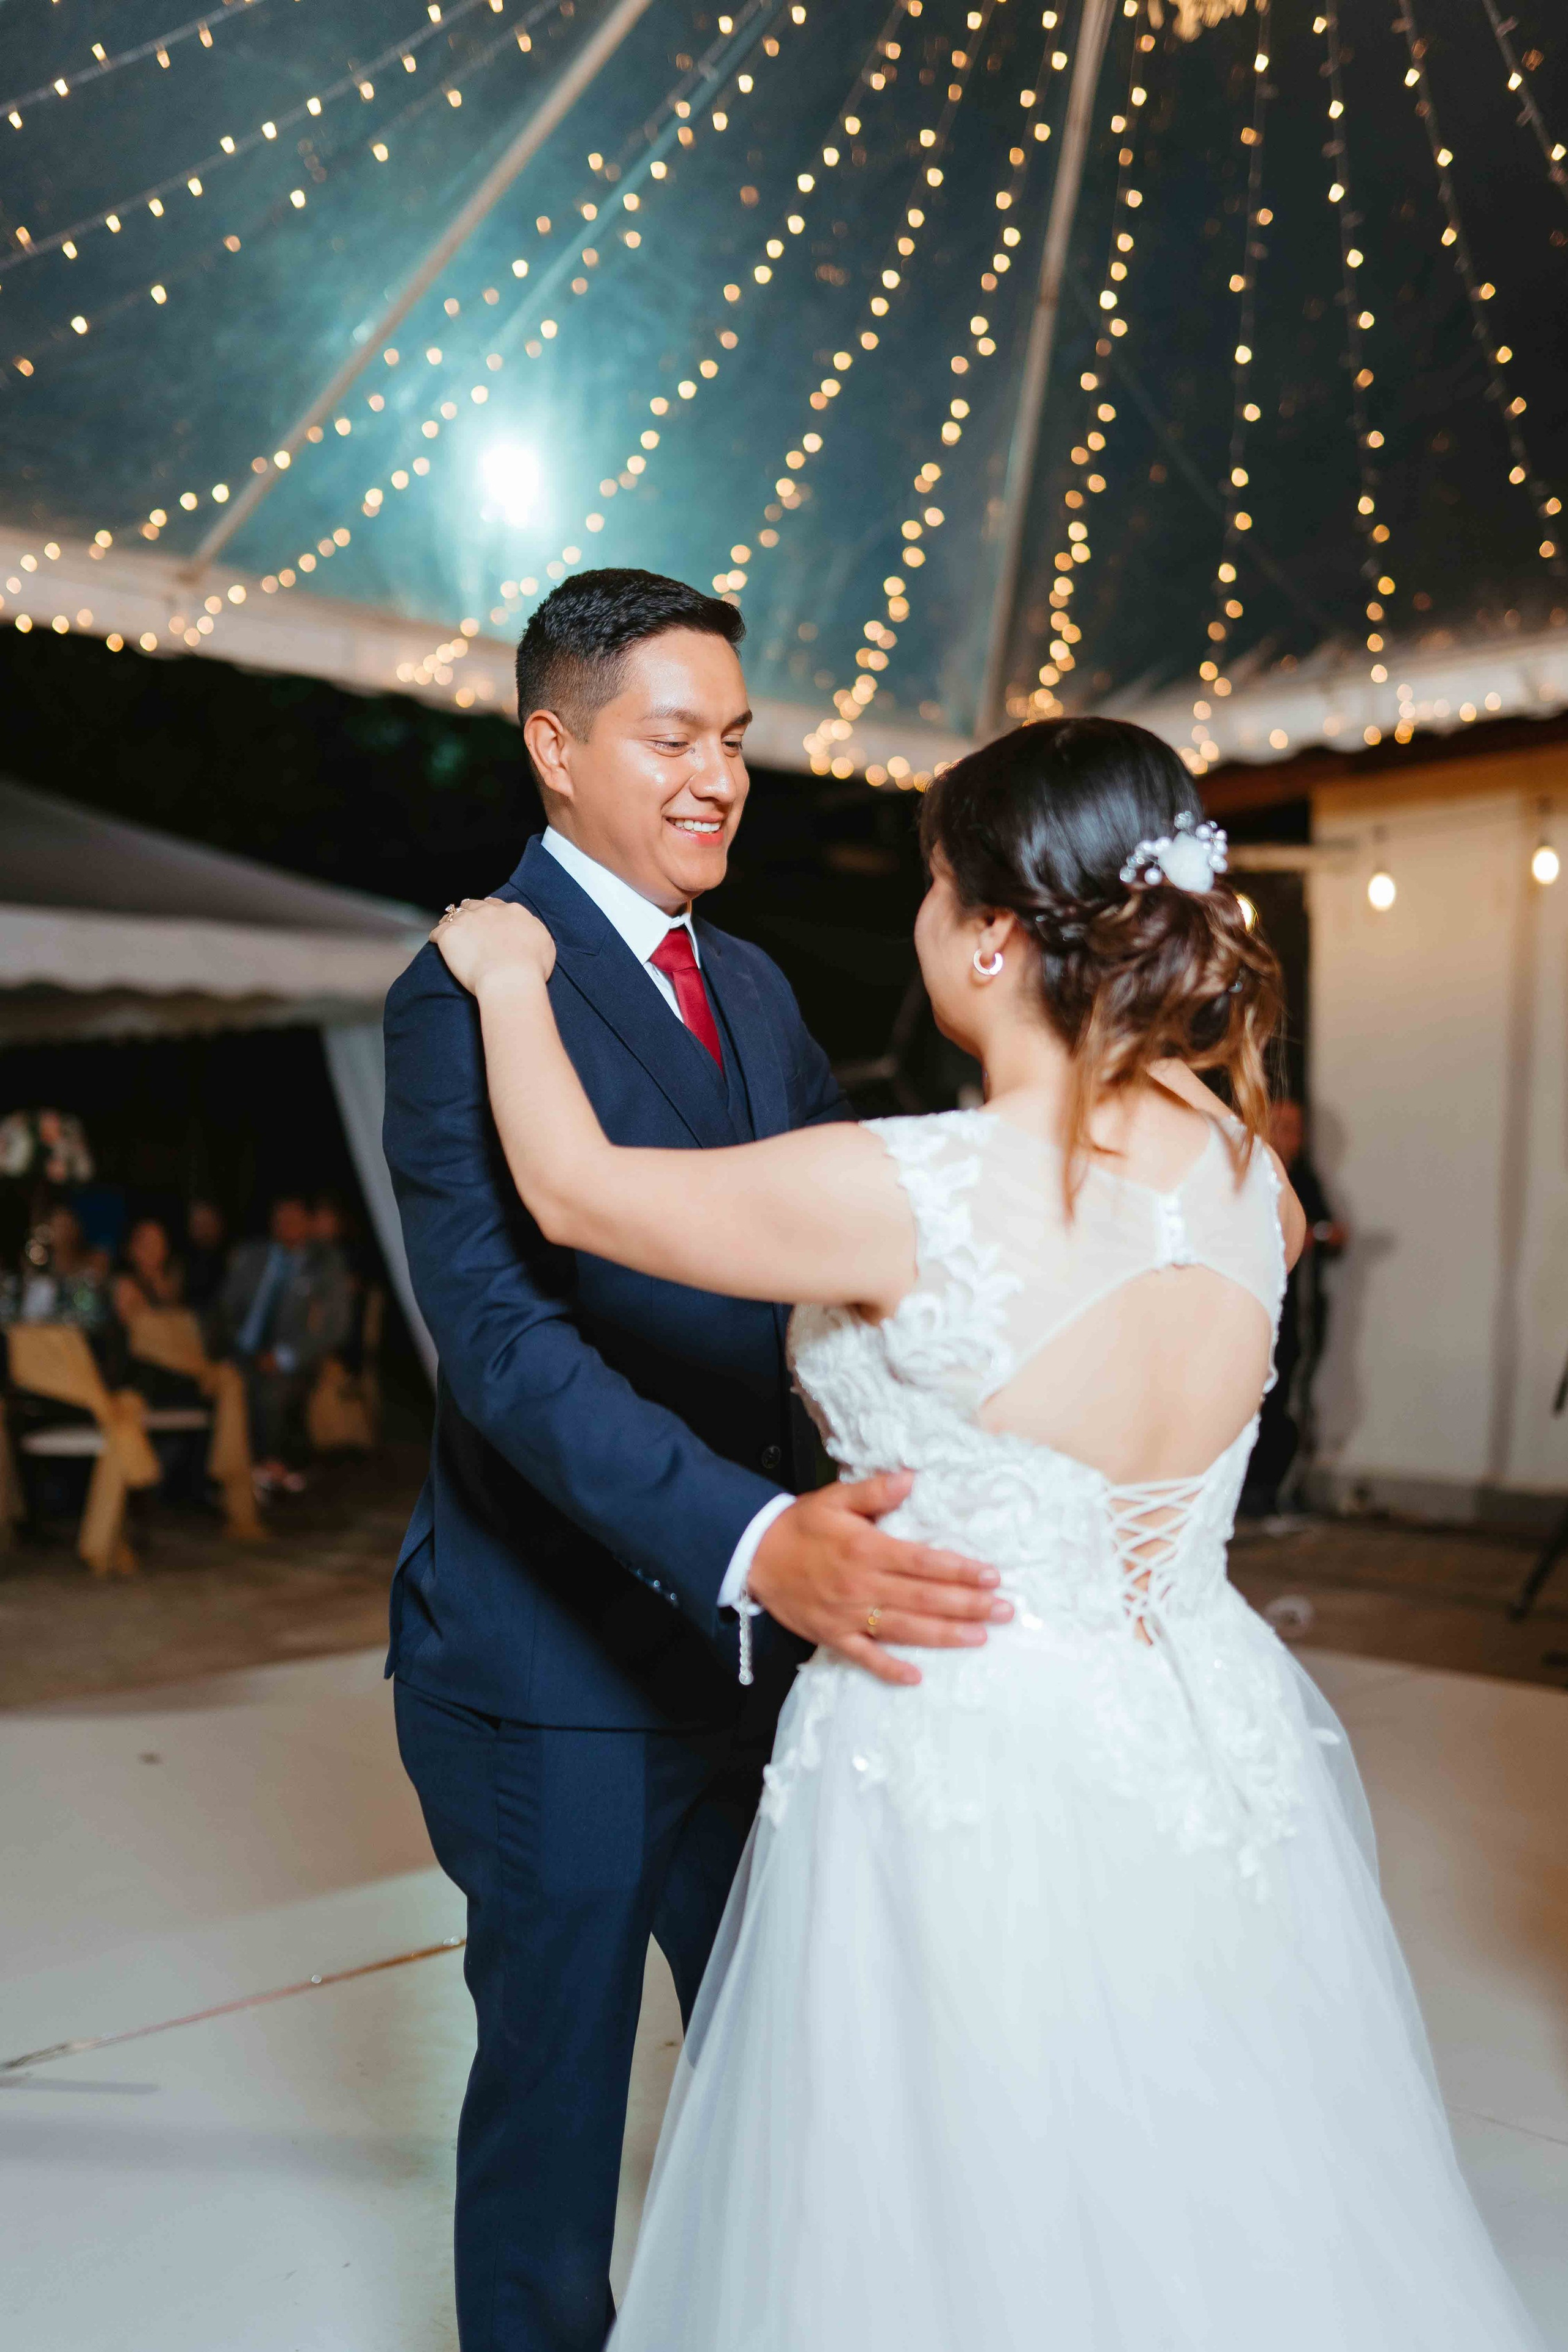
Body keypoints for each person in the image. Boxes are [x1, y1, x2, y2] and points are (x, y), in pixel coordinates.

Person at [431, 715, 1542, 2352]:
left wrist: (510, 976)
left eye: (939, 884)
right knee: (1190, 2145)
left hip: (957, 1742)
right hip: (1200, 1727)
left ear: (1002, 935)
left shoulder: (907, 1185)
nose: (920, 921)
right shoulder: (1253, 1176)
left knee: (953, 2182)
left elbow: (582, 1193)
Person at [382, 568, 997, 2352]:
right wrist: (752, 1540)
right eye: (672, 735)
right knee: (558, 2131)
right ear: (555, 748)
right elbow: (502, 1348)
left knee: (794, 2084)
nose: (718, 773)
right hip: (551, 1665)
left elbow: (829, 1277)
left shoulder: (752, 981)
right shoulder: (464, 985)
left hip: (761, 1672)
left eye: (735, 736)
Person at [1241, 1096, 1348, 1520]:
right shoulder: (1249, 1174)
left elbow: (1331, 1233)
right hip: (1253, 1314)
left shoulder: (1304, 1179)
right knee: (1252, 1400)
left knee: (1287, 1400)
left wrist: (1318, 1236)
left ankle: (1275, 1487)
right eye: (1283, 1127)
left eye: (1297, 1129)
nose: (1292, 1138)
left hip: (1295, 1315)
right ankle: (1247, 1489)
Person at [217, 1194, 352, 1493]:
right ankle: (232, 1475)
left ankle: (269, 1470)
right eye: (280, 1219)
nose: (287, 1226)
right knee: (224, 1382)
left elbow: (334, 1326)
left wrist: (284, 1356)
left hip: (291, 1359)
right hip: (241, 1351)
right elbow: (225, 1307)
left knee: (271, 1388)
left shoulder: (323, 1264)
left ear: (307, 1224)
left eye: (294, 1219)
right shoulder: (252, 1256)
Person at [181, 1199, 228, 1316]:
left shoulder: (233, 1259)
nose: (203, 1230)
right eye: (197, 1224)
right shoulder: (184, 1262)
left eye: (207, 1222)